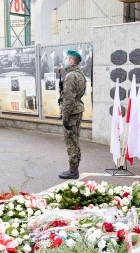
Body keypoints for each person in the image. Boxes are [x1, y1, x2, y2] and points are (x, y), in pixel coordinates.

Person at [58, 50, 87, 180]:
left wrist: (65, 117)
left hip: (72, 113)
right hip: (77, 110)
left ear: (71, 61)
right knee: (75, 140)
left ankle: (73, 171)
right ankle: (74, 168)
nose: (65, 61)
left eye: (67, 59)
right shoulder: (80, 74)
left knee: (71, 141)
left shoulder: (70, 76)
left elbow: (68, 99)